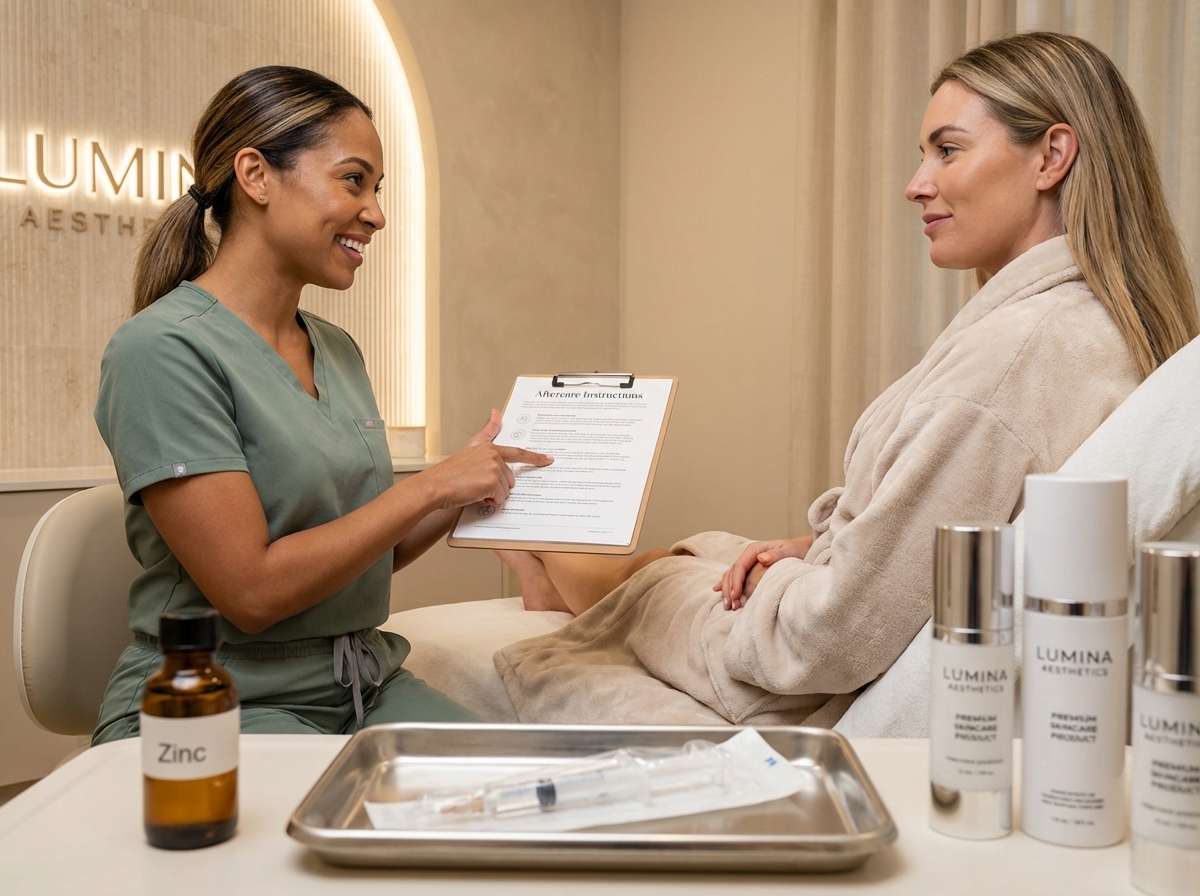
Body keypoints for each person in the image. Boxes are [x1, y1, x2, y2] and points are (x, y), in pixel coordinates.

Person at [494, 32, 1199, 727]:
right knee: (708, 551)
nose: (916, 184)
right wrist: (810, 551)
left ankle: (535, 537)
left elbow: (833, 640)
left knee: (652, 579)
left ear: (1051, 155)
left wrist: (794, 578)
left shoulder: (1019, 355)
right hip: (837, 598)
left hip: (796, 678)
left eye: (947, 150)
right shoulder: (1096, 329)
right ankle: (547, 559)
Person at [92, 66, 551, 743]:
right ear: (255, 175)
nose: (377, 213)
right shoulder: (160, 351)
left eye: (378, 189)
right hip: (222, 702)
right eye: (353, 180)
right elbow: (252, 593)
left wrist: (464, 484)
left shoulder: (336, 349)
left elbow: (366, 557)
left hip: (360, 684)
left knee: (529, 800)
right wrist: (427, 487)